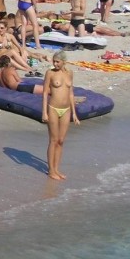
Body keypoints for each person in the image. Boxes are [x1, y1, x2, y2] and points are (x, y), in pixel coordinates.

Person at [42, 52, 79, 180]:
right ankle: (51, 170)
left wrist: (74, 113)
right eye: (54, 61)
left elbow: (71, 93)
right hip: (53, 108)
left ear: (64, 62)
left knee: (61, 141)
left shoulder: (70, 73)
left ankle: (56, 168)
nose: (55, 64)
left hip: (67, 109)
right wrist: (44, 111)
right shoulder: (50, 73)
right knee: (53, 139)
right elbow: (45, 92)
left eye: (57, 61)